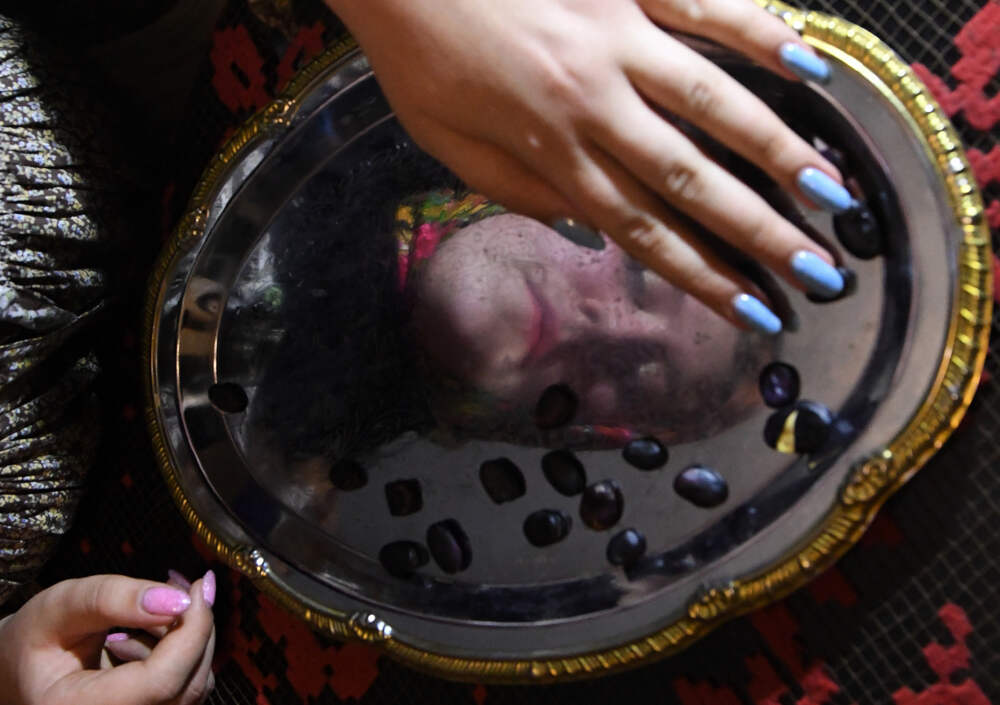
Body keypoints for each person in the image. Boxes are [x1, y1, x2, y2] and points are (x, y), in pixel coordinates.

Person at [2, 0, 849, 702]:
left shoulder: (297, 497)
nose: (607, 329)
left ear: (588, 438)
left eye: (635, 376)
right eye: (636, 275)